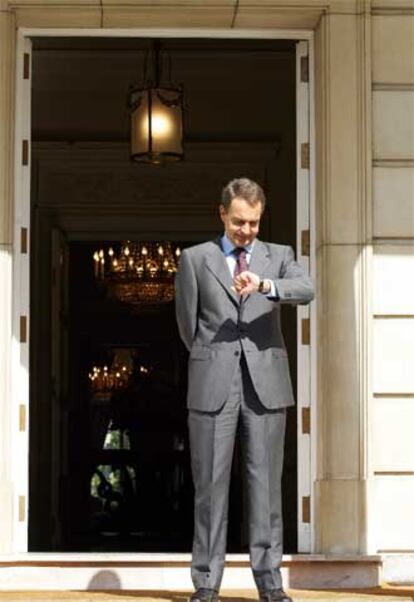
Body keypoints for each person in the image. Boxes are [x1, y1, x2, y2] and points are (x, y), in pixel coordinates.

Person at [175, 177, 314, 602]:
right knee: (210, 488)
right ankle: (205, 584)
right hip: (212, 382)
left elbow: (306, 289)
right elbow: (187, 324)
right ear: (222, 214)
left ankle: (270, 585)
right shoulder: (195, 259)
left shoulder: (279, 257)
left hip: (265, 385)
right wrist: (212, 360)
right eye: (238, 222)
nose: (246, 231)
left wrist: (265, 286)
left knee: (265, 486)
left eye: (253, 223)